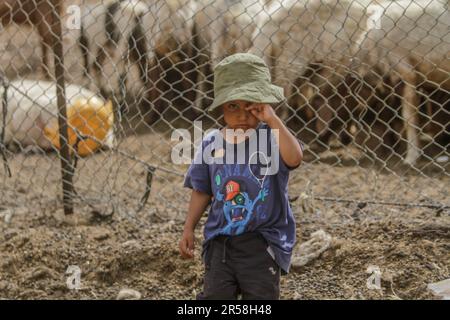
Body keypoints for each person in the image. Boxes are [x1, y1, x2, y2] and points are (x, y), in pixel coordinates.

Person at [179, 53, 303, 299]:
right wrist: (189, 227)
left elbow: (295, 158)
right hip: (219, 242)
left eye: (251, 106)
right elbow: (202, 190)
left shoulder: (271, 138)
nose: (242, 115)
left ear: (264, 104)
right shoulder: (211, 143)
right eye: (232, 106)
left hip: (261, 243)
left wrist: (272, 119)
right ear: (222, 107)